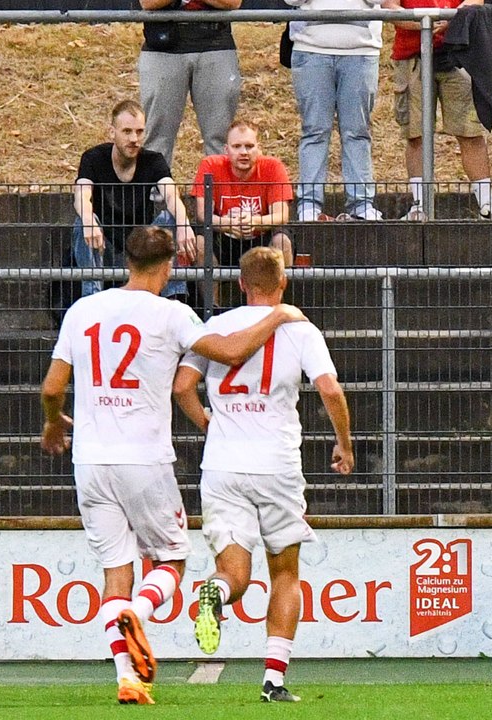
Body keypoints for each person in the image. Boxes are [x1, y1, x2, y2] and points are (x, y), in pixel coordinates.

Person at [40, 226, 307, 705]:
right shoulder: (172, 314)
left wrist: (52, 425)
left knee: (115, 572)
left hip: (90, 462)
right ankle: (139, 614)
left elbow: (51, 388)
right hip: (144, 459)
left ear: (126, 261)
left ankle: (129, 679)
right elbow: (228, 350)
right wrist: (280, 315)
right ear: (169, 267)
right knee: (170, 559)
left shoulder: (82, 311)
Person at [173, 247, 354, 703]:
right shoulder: (298, 328)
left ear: (239, 284)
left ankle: (214, 591)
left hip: (223, 465)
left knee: (233, 571)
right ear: (283, 283)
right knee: (285, 574)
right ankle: (273, 681)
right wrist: (344, 444)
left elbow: (181, 388)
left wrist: (210, 424)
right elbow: (329, 388)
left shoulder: (215, 326)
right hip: (276, 466)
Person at [385, 0, 492, 221]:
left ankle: (487, 206)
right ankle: (420, 205)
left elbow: (475, 1)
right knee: (416, 135)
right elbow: (389, 7)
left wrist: (451, 19)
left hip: (458, 51)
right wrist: (425, 22)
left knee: (471, 132)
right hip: (411, 55)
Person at [73, 100, 197, 299]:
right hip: (105, 247)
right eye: (127, 131)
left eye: (139, 131)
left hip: (142, 250)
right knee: (82, 222)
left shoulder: (153, 160)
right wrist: (88, 219)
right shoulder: (93, 158)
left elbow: (171, 195)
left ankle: (172, 300)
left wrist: (184, 225)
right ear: (112, 132)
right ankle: (91, 298)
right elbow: (82, 194)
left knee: (170, 218)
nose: (134, 139)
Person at [287, 0, 387, 222]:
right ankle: (309, 205)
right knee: (314, 131)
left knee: (357, 131)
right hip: (310, 48)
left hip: (362, 50)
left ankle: (361, 204)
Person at [137, 0, 242, 166]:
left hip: (216, 43)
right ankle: (157, 190)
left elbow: (232, 2)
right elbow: (149, 2)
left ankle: (220, 190)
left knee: (221, 138)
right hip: (162, 44)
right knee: (156, 137)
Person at [191, 120, 294, 269]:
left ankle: (278, 292)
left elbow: (281, 215)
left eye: (249, 146)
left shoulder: (274, 166)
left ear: (259, 149)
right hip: (223, 237)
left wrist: (255, 222)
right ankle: (210, 293)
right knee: (200, 242)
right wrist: (229, 224)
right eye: (237, 146)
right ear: (226, 149)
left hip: (262, 236)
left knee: (282, 240)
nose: (244, 152)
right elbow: (203, 214)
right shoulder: (210, 165)